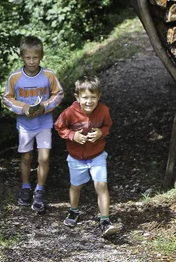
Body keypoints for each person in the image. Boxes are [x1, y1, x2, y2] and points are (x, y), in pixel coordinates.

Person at [54, 75, 122, 237]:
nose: (89, 101)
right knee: (76, 186)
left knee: (101, 186)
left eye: (93, 97)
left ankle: (105, 221)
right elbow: (59, 126)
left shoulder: (104, 110)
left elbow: (107, 125)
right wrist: (72, 135)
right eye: (85, 97)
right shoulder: (69, 112)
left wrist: (101, 132)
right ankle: (73, 210)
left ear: (99, 96)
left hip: (97, 155)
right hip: (76, 158)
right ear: (77, 97)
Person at [3, 35, 64, 213]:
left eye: (35, 58)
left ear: (41, 56)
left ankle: (40, 190)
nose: (31, 61)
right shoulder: (15, 78)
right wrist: (23, 108)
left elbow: (58, 94)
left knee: (44, 157)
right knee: (26, 158)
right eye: (28, 58)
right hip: (24, 125)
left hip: (44, 122)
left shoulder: (48, 75)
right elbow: (7, 98)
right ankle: (25, 186)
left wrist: (45, 106)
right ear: (22, 57)